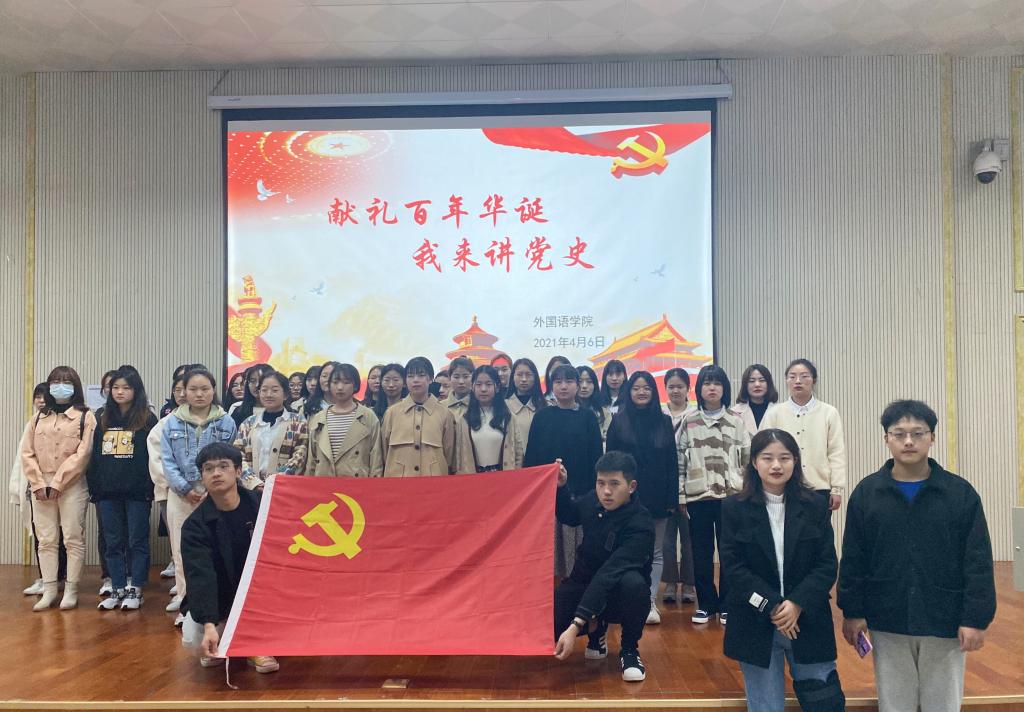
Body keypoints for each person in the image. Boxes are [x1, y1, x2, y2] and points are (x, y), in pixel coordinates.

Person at [838, 400, 995, 712]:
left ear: (932, 437)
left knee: (943, 705)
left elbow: (977, 560)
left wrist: (975, 619)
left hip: (944, 619)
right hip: (888, 618)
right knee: (895, 705)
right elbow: (854, 557)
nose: (908, 441)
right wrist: (852, 611)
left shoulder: (959, 494)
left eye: (917, 433)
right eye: (899, 434)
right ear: (886, 439)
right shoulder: (867, 494)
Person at [721, 428, 845, 712]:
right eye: (767, 458)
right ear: (754, 462)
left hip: (807, 618)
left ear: (795, 461)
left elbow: (827, 563)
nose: (776, 465)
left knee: (825, 702)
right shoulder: (734, 508)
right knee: (765, 706)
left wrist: (797, 603)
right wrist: (773, 606)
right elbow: (733, 567)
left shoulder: (815, 505)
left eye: (784, 458)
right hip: (756, 621)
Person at [553, 451, 654, 683]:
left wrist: (576, 624)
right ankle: (596, 628)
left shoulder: (641, 523)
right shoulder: (593, 501)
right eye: (601, 483)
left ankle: (629, 649)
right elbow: (570, 515)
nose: (606, 491)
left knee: (634, 584)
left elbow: (609, 573)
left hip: (619, 591)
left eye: (614, 484)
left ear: (631, 486)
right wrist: (562, 488)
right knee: (548, 627)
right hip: (584, 581)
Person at [180, 442, 279, 674]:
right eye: (208, 468)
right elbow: (200, 576)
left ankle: (256, 644)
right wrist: (209, 624)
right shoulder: (195, 526)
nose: (216, 473)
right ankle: (224, 634)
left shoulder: (262, 506)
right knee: (194, 638)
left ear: (237, 471)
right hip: (222, 598)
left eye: (223, 466)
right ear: (202, 476)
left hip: (263, 594)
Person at [161, 368, 237, 620]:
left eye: (205, 389)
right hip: (181, 495)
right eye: (193, 389)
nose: (199, 394)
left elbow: (232, 460)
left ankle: (218, 607)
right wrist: (185, 489)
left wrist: (214, 489)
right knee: (182, 552)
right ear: (184, 392)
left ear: (213, 390)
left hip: (218, 495)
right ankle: (188, 608)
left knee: (218, 550)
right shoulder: (171, 422)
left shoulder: (226, 422)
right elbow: (167, 461)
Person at [19, 366, 96, 611]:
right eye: (55, 382)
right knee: (46, 539)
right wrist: (38, 482)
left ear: (75, 386)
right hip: (41, 485)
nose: (60, 386)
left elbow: (83, 454)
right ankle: (50, 588)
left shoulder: (85, 416)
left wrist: (59, 482)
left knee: (73, 538)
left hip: (72, 484)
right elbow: (26, 452)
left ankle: (71, 589)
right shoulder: (38, 417)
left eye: (66, 382)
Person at [679, 364, 749, 626]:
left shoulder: (736, 421)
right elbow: (680, 462)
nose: (712, 388)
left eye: (717, 383)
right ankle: (706, 604)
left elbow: (747, 461)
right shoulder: (689, 421)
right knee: (701, 552)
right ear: (699, 389)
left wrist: (747, 494)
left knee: (730, 552)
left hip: (732, 497)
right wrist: (681, 496)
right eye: (707, 383)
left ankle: (728, 605)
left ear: (724, 389)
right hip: (698, 498)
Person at [605, 371, 678, 625]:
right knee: (625, 550)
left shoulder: (664, 421)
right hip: (626, 499)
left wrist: (672, 498)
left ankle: (648, 602)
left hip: (658, 497)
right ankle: (624, 601)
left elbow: (672, 463)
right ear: (629, 391)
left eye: (646, 388)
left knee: (655, 552)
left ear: (653, 392)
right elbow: (610, 462)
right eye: (636, 388)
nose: (641, 392)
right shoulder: (618, 421)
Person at [87, 367, 158, 610]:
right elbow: (95, 456)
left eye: (126, 388)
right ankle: (116, 587)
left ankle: (136, 587)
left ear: (136, 390)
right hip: (107, 493)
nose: (120, 392)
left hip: (137, 493)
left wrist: (149, 488)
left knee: (137, 541)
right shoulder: (102, 417)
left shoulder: (147, 419)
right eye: (115, 387)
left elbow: (152, 457)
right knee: (112, 542)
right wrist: (95, 488)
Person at [524, 364, 603, 578]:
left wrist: (592, 494)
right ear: (551, 386)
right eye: (558, 382)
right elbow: (531, 458)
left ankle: (576, 591)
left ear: (577, 385)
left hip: (580, 496)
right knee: (549, 557)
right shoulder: (542, 417)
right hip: (547, 497)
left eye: (569, 381)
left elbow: (596, 458)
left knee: (578, 556)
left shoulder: (588, 417)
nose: (563, 386)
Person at [760, 359, 846, 512]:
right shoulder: (774, 413)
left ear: (814, 380)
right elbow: (762, 451)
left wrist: (836, 489)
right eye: (792, 376)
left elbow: (836, 452)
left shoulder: (829, 412)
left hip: (819, 487)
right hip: (782, 487)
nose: (798, 381)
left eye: (804, 376)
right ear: (786, 381)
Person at [9, 383, 67, 597]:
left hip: (59, 485)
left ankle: (59, 578)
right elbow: (23, 456)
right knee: (40, 534)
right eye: (37, 397)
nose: (41, 401)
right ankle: (45, 578)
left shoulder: (62, 422)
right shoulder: (32, 422)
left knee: (60, 534)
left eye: (44, 396)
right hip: (35, 484)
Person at [380, 357, 456, 476]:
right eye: (410, 376)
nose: (415, 380)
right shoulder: (392, 413)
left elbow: (449, 455)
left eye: (421, 375)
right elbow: (384, 452)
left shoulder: (445, 414)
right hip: (399, 483)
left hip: (433, 483)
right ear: (405, 380)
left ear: (430, 379)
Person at [305, 363, 383, 477]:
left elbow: (376, 460)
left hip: (356, 484)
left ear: (355, 385)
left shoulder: (368, 416)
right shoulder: (319, 418)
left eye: (346, 382)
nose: (340, 387)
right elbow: (311, 460)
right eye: (335, 382)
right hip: (323, 483)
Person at [234, 371, 308, 489]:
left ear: (285, 394)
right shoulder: (248, 423)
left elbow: (300, 456)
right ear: (259, 393)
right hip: (252, 489)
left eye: (274, 390)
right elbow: (238, 454)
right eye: (264, 390)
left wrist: (276, 482)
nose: (268, 395)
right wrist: (254, 483)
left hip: (284, 488)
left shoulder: (298, 422)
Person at [660, 368, 696, 605]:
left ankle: (690, 583)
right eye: (671, 386)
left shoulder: (695, 414)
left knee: (690, 537)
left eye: (680, 386)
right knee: (666, 539)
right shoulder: (658, 414)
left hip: (690, 481)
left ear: (688, 389)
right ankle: (671, 582)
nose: (675, 391)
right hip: (664, 483)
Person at [149, 374, 187, 586]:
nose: (182, 394)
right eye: (178, 390)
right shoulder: (165, 423)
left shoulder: (218, 420)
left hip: (205, 493)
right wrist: (176, 485)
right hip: (172, 492)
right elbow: (156, 459)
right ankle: (182, 592)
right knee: (178, 543)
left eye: (186, 389)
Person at [454, 365, 523, 473]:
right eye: (479, 384)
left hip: (503, 478)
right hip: (473, 479)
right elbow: (458, 457)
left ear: (497, 387)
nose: (483, 389)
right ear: (472, 387)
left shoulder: (508, 418)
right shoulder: (464, 419)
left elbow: (518, 454)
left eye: (488, 384)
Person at [506, 358, 545, 453]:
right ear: (513, 377)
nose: (524, 379)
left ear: (535, 378)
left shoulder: (545, 406)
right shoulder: (504, 407)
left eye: (528, 375)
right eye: (519, 375)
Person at [731, 364, 779, 438]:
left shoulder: (779, 411)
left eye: (762, 380)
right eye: (752, 381)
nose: (757, 384)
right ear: (745, 385)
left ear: (769, 384)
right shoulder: (734, 413)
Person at [576, 365, 610, 443]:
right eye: (580, 381)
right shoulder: (566, 410)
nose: (584, 386)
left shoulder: (605, 413)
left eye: (589, 381)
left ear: (595, 385)